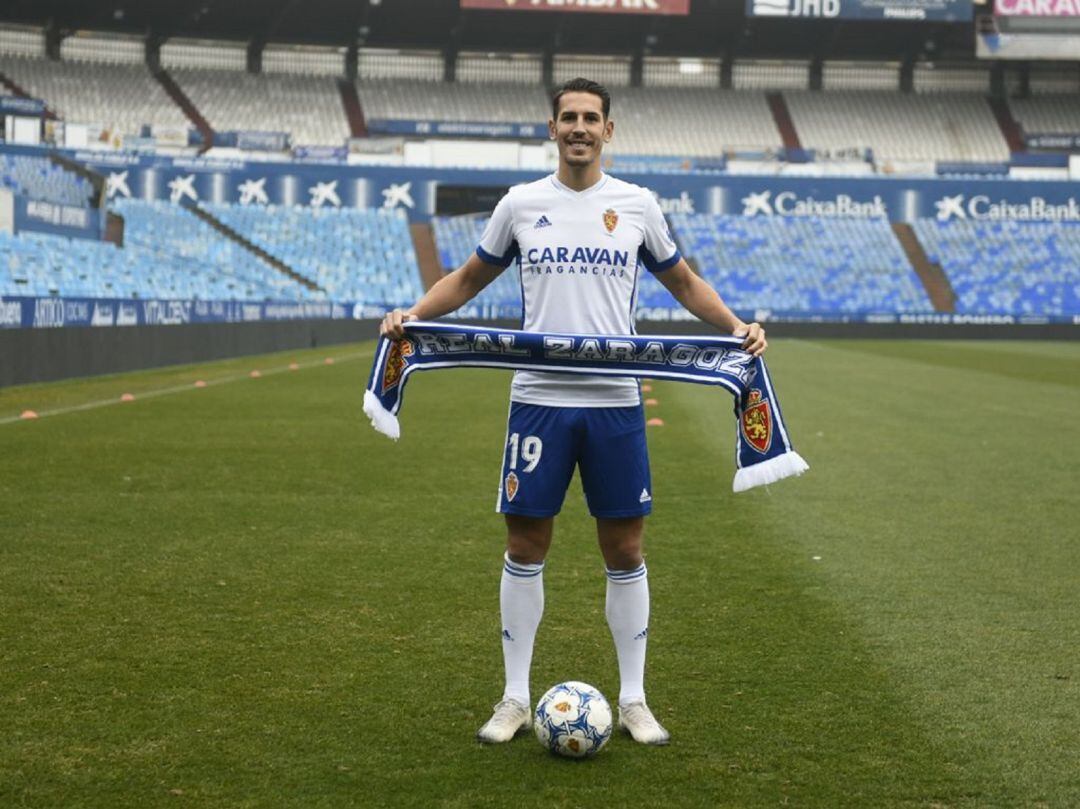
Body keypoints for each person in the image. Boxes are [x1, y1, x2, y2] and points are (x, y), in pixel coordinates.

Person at [381, 77, 766, 746]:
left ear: (608, 130)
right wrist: (412, 314)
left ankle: (635, 699)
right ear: (553, 128)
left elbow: (682, 282)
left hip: (616, 402)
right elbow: (470, 277)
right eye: (569, 117)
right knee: (525, 543)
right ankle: (512, 697)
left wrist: (737, 326)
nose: (580, 127)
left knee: (625, 547)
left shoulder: (638, 205)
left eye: (591, 117)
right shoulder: (522, 204)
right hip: (538, 402)